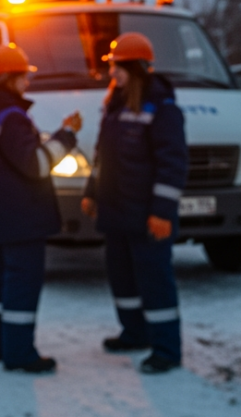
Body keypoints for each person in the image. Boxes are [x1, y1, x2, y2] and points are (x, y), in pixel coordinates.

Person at [0, 44, 82, 373]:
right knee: (22, 286)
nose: (27, 83)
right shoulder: (11, 117)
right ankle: (19, 354)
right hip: (22, 217)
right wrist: (66, 136)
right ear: (8, 79)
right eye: (23, 77)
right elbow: (37, 164)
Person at [81, 31, 188, 374]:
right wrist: (92, 192)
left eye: (119, 67)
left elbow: (173, 165)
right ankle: (134, 333)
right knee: (122, 278)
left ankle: (166, 350)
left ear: (137, 68)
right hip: (117, 212)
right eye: (112, 67)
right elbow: (102, 156)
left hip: (146, 216)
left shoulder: (163, 109)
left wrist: (162, 212)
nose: (113, 73)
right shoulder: (115, 105)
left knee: (155, 281)